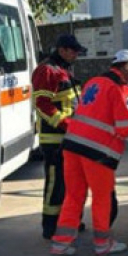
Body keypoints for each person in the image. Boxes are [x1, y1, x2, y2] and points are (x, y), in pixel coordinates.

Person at [50, 49, 128, 256]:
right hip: (98, 152)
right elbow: (125, 129)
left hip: (72, 145)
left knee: (73, 196)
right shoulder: (121, 89)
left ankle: (60, 244)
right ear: (127, 67)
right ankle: (103, 244)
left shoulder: (94, 82)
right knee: (102, 197)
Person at [32, 33, 86, 239]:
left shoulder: (64, 69)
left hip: (70, 137)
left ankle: (69, 221)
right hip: (54, 139)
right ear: (62, 50)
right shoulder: (47, 70)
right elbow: (42, 105)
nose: (76, 55)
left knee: (72, 183)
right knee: (56, 183)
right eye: (73, 51)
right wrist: (65, 124)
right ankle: (51, 226)